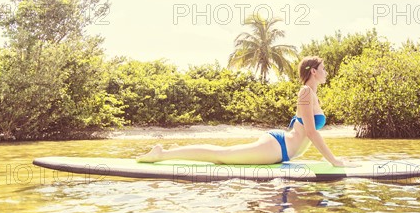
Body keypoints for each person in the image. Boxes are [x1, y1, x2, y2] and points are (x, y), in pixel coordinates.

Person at [136, 56, 360, 167]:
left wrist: (333, 159)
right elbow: (311, 132)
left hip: (283, 147)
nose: (327, 72)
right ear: (313, 71)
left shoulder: (312, 94)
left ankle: (179, 150)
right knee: (222, 157)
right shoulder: (305, 92)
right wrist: (334, 161)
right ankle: (162, 154)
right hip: (278, 147)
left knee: (224, 153)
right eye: (323, 69)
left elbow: (303, 128)